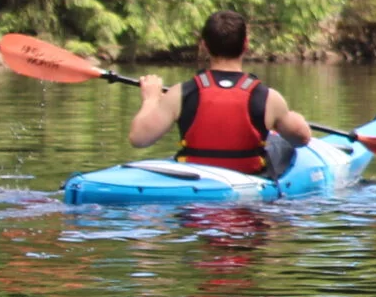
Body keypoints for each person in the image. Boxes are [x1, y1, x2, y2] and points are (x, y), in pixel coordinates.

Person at [129, 9, 315, 175]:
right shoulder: (268, 98)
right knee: (277, 144)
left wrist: (151, 99)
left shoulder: (180, 93)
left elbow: (139, 139)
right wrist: (290, 118)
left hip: (196, 185)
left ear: (204, 46)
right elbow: (301, 139)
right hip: (248, 193)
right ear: (246, 44)